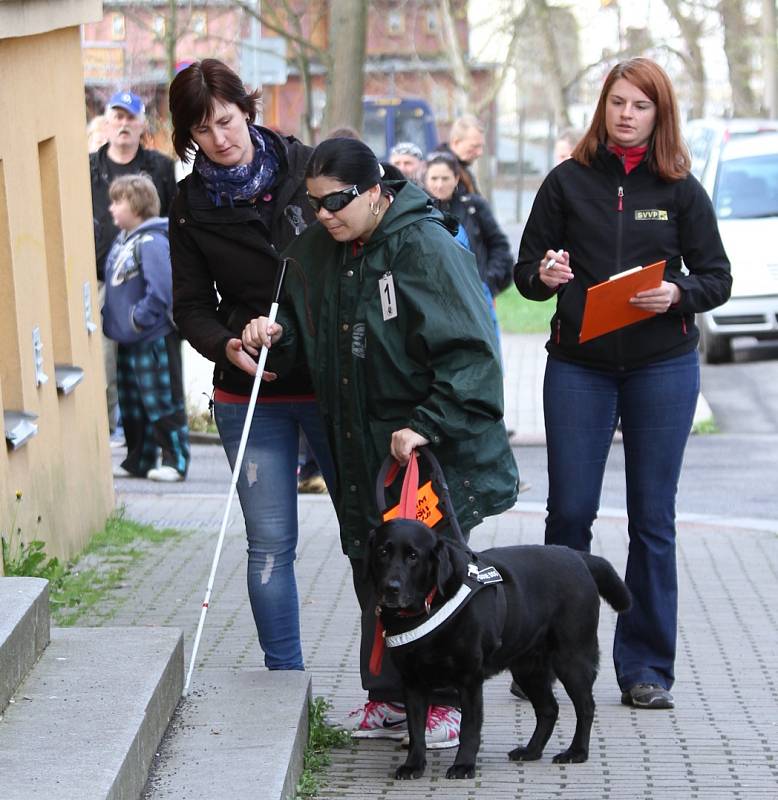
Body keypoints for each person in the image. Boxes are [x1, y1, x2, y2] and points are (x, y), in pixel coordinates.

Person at [243, 137, 519, 748]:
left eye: (336, 201)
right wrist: (272, 335)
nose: (324, 215)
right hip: (357, 444)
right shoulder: (316, 251)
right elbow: (299, 335)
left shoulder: (426, 248)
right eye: (314, 204)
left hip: (426, 447)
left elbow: (474, 356)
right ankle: (391, 697)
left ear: (375, 190)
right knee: (377, 570)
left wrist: (428, 421)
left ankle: (447, 704)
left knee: (436, 572)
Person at [514, 58, 732, 710]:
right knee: (570, 514)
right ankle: (545, 658)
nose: (627, 113)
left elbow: (718, 278)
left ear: (659, 115)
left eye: (640, 104)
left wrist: (678, 293)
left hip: (661, 369)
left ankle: (645, 669)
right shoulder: (566, 182)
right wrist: (546, 275)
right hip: (579, 368)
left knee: (652, 521)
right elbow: (526, 271)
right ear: (603, 109)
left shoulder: (680, 189)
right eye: (618, 102)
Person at [167, 59, 335, 672]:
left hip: (329, 380)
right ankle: (283, 682)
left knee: (372, 539)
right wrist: (227, 341)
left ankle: (392, 689)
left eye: (228, 121)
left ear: (248, 110)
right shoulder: (187, 205)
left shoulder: (310, 168)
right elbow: (189, 307)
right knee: (268, 545)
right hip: (250, 391)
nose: (221, 138)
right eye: (203, 131)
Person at [91, 91, 177, 443]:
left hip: (147, 281)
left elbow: (175, 221)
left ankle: (152, 437)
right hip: (101, 280)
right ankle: (110, 432)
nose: (124, 124)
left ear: (142, 124)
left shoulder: (160, 168)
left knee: (150, 363)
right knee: (105, 362)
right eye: (118, 117)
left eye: (131, 117)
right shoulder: (88, 169)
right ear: (107, 123)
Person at [102, 175, 190, 482]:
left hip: (152, 337)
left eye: (118, 201)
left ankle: (175, 459)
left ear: (137, 204)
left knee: (161, 399)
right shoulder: (122, 240)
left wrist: (138, 318)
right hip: (127, 339)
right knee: (133, 403)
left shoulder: (152, 241)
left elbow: (161, 289)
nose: (111, 208)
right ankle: (139, 458)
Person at [439, 114, 486, 195]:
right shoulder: (441, 171)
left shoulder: (462, 169)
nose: (480, 153)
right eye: (474, 146)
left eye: (481, 146)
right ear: (456, 142)